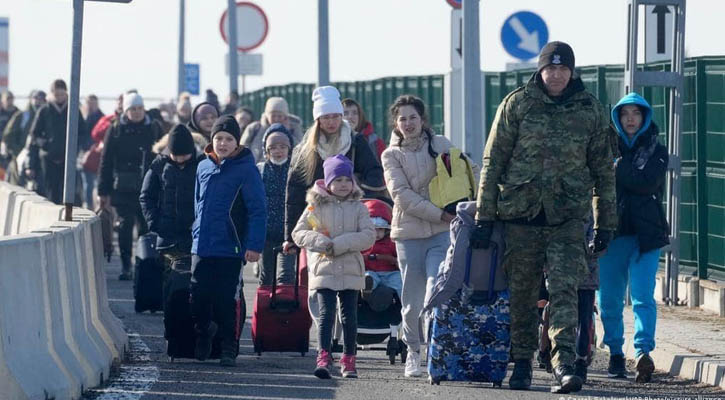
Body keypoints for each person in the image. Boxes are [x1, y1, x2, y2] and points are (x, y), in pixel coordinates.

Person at [472, 41, 616, 393]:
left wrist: (605, 223)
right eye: (550, 69)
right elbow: (493, 162)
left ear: (572, 71)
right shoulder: (517, 104)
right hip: (521, 215)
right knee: (522, 295)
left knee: (565, 289)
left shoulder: (590, 110)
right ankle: (521, 363)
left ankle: (564, 363)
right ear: (540, 70)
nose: (556, 75)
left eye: (563, 69)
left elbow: (603, 171)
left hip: (567, 218)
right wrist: (483, 216)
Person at [380, 94, 463, 378]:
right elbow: (401, 196)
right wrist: (440, 214)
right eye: (402, 118)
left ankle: (434, 352)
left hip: (442, 233)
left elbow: (466, 172)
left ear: (422, 119)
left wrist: (474, 201)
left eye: (413, 117)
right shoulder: (391, 155)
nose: (408, 123)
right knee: (412, 301)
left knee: (435, 290)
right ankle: (412, 351)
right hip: (409, 235)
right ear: (396, 123)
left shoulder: (440, 144)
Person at [598, 92, 669, 384]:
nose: (630, 119)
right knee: (610, 300)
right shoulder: (602, 148)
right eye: (625, 113)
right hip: (611, 234)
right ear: (617, 117)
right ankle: (615, 350)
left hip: (646, 235)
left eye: (636, 114)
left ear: (645, 117)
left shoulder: (657, 149)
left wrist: (617, 167)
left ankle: (643, 353)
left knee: (642, 296)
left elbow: (647, 182)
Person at [191, 115, 266, 367]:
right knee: (198, 295)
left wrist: (254, 245)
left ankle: (228, 346)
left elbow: (258, 210)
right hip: (202, 245)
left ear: (237, 142)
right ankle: (203, 331)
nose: (223, 143)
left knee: (226, 299)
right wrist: (195, 232)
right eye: (218, 138)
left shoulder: (247, 169)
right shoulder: (203, 166)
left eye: (228, 139)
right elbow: (198, 204)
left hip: (231, 247)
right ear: (212, 140)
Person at [292, 154, 375, 379]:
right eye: (337, 180)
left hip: (350, 268)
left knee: (349, 316)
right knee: (326, 315)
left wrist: (340, 244)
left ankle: (349, 359)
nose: (343, 185)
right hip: (324, 268)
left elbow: (369, 235)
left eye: (347, 180)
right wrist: (320, 242)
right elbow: (298, 233)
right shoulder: (314, 207)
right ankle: (324, 356)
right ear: (328, 182)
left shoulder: (359, 207)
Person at [97, 92, 162, 280]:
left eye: (140, 108)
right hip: (122, 188)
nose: (137, 112)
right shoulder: (116, 129)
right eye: (133, 109)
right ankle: (126, 265)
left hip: (148, 186)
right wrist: (103, 190)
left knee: (145, 227)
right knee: (125, 226)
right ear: (126, 110)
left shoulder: (154, 127)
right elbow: (106, 160)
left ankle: (143, 263)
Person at [139, 124, 202, 267]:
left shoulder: (202, 164)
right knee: (167, 281)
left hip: (194, 237)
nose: (180, 160)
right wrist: (155, 223)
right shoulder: (159, 166)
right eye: (176, 156)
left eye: (184, 156)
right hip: (167, 237)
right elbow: (146, 196)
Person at [28, 79, 88, 204]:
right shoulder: (45, 110)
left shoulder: (73, 110)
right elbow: (34, 134)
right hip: (49, 158)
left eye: (62, 94)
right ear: (52, 94)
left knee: (68, 192)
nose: (59, 97)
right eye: (56, 94)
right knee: (51, 191)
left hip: (69, 159)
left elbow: (82, 132)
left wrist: (76, 148)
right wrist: (46, 145)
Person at [256, 123, 295, 286]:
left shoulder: (295, 170)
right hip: (266, 233)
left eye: (282, 147)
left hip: (289, 233)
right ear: (266, 151)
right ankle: (265, 309)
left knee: (286, 277)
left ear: (289, 149)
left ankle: (286, 309)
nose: (278, 151)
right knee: (266, 276)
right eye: (273, 148)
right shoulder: (260, 170)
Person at [2, 90, 46, 186]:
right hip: (19, 159)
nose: (38, 101)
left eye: (41, 99)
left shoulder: (46, 117)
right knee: (17, 186)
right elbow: (8, 136)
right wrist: (19, 152)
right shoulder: (22, 116)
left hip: (41, 160)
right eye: (35, 98)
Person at [240, 97, 303, 162]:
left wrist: (287, 132)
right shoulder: (254, 128)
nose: (276, 119)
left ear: (285, 116)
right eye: (273, 116)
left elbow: (300, 150)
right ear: (267, 115)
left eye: (279, 116)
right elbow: (242, 149)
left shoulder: (294, 129)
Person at [361, 199, 401, 298]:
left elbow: (398, 257)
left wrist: (396, 261)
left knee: (399, 280)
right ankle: (366, 288)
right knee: (367, 276)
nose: (377, 234)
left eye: (380, 230)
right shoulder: (362, 243)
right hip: (371, 271)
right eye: (373, 230)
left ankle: (405, 303)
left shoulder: (391, 243)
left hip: (389, 272)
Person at [79, 94, 105, 209]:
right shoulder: (82, 118)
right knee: (87, 185)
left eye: (93, 103)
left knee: (96, 185)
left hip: (98, 156)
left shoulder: (102, 118)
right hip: (85, 157)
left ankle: (96, 207)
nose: (91, 106)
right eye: (89, 103)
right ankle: (88, 206)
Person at [342, 98, 385, 163]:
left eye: (355, 113)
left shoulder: (376, 142)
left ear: (360, 117)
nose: (350, 116)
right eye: (345, 113)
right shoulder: (332, 140)